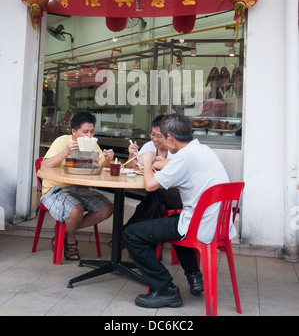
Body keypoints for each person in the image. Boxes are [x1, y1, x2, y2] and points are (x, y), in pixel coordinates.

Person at [123, 113, 234, 309]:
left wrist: (147, 161)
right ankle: (193, 275)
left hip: (198, 225)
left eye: (163, 137)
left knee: (131, 233)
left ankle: (166, 290)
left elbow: (150, 185)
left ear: (170, 138)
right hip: (217, 225)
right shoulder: (204, 149)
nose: (162, 141)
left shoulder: (184, 158)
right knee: (173, 220)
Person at [41, 112, 114, 261]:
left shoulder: (92, 145)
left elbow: (103, 166)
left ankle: (65, 231)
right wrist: (66, 152)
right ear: (74, 132)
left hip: (78, 189)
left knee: (107, 209)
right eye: (85, 132)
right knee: (76, 209)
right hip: (55, 189)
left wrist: (107, 159)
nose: (89, 136)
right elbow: (44, 166)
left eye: (92, 131)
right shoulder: (63, 141)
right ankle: (71, 238)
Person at [125, 115, 182, 226]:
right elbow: (131, 168)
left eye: (159, 136)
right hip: (158, 195)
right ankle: (148, 240)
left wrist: (149, 161)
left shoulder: (177, 148)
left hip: (179, 194)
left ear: (169, 136)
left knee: (157, 191)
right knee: (158, 207)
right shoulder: (149, 146)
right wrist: (132, 155)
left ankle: (126, 231)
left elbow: (173, 165)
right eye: (152, 134)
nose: (155, 139)